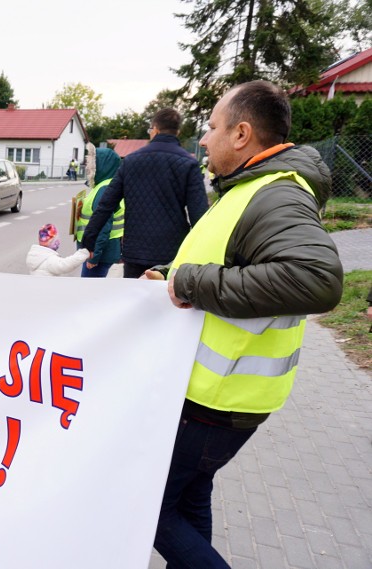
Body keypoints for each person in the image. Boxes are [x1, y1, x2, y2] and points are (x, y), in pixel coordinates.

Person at [145, 80, 343, 568]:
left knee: (148, 507)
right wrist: (173, 276)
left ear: (242, 134)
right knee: (190, 501)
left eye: (212, 127)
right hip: (219, 394)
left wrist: (191, 281)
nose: (204, 139)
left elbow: (316, 278)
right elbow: (231, 263)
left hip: (217, 398)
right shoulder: (251, 189)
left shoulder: (275, 194)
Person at [82, 109, 208, 279]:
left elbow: (106, 205)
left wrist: (89, 241)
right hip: (172, 251)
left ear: (154, 129)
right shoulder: (189, 164)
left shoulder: (131, 161)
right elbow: (199, 215)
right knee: (166, 301)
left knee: (135, 298)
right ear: (178, 131)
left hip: (135, 250)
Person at [76, 148, 122, 278]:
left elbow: (103, 225)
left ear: (103, 166)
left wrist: (94, 255)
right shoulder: (104, 185)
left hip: (97, 253)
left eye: (92, 164)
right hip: (97, 251)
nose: (88, 168)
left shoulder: (105, 188)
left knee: (88, 292)